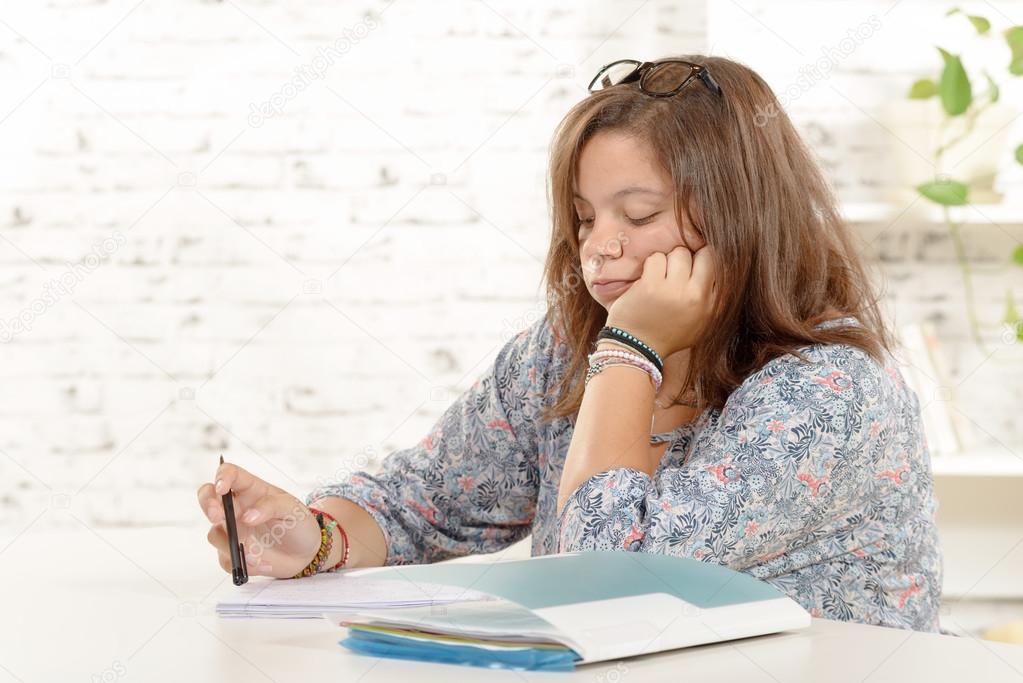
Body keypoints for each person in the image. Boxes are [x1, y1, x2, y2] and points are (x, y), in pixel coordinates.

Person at [197, 55, 943, 632]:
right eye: (584, 218)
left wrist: (628, 352)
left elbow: (611, 577)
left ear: (741, 219)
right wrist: (313, 539)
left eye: (639, 213)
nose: (600, 249)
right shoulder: (562, 349)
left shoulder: (827, 392)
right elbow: (425, 499)